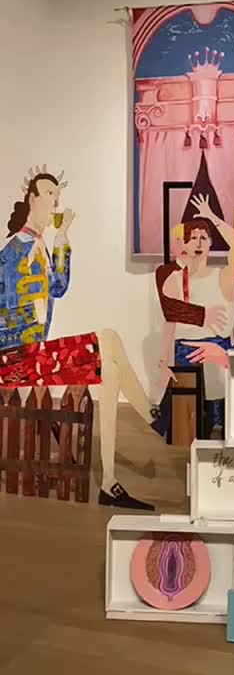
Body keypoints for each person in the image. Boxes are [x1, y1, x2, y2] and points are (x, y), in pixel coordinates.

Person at [0, 167, 167, 511]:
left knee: (112, 372)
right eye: (49, 195)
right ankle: (152, 417)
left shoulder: (40, 245)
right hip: (16, 359)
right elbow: (11, 313)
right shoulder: (15, 250)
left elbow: (59, 288)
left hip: (35, 356)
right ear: (31, 199)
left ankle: (109, 484)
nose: (55, 202)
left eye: (57, 196)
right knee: (109, 338)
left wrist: (62, 237)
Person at [155, 193, 234, 434]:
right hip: (186, 352)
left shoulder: (223, 276)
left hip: (216, 352)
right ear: (185, 245)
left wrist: (211, 217)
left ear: (211, 243)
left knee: (218, 423)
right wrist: (163, 362)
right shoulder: (174, 280)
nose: (198, 243)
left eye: (203, 237)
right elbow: (170, 323)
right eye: (193, 238)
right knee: (188, 426)